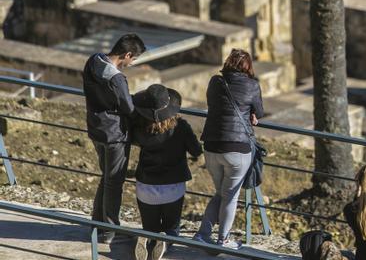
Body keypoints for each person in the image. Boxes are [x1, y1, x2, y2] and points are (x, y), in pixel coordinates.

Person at [193, 49, 264, 249]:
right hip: (237, 148)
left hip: (212, 146)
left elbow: (214, 105)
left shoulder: (215, 82)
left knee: (222, 193)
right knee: (230, 196)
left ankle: (202, 234)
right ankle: (223, 240)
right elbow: (259, 112)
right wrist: (251, 114)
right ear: (248, 67)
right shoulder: (252, 85)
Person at [83, 33, 146, 244]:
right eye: (133, 59)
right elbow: (128, 107)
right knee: (114, 182)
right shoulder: (117, 78)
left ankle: (97, 223)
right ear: (127, 54)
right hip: (115, 134)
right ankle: (109, 229)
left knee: (106, 177)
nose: (132, 63)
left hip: (96, 128)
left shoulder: (93, 61)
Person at [130, 84, 202, 260]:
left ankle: (147, 238)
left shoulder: (139, 127)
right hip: (173, 188)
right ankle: (167, 240)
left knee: (149, 226)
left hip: (146, 187)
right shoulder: (181, 127)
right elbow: (196, 151)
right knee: (172, 227)